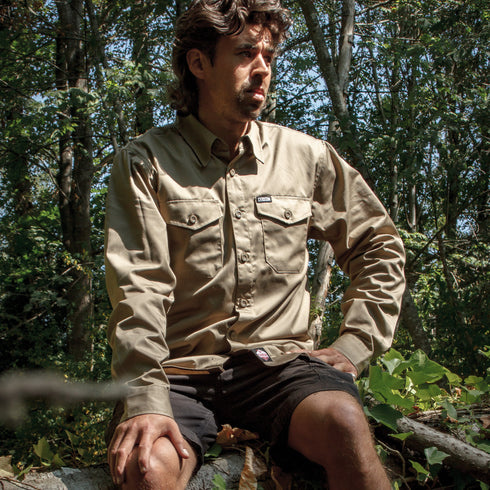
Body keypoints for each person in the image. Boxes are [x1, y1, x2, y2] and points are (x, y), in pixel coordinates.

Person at [104, 0, 406, 488]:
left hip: (280, 369)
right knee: (147, 467)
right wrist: (144, 396)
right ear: (199, 63)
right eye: (246, 53)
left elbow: (378, 243)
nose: (262, 67)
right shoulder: (146, 162)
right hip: (178, 372)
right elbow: (138, 286)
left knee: (344, 423)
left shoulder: (306, 156)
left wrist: (355, 344)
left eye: (269, 54)